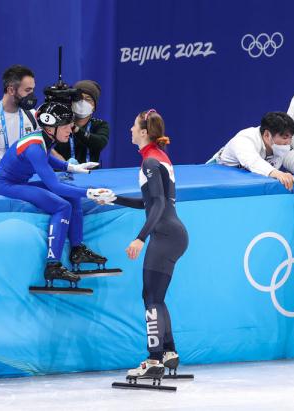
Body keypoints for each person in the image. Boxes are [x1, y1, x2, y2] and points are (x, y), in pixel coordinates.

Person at [0, 101, 114, 285]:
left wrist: (71, 167)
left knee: (71, 196)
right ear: (50, 127)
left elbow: (47, 156)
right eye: (66, 126)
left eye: (70, 125)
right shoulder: (34, 147)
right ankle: (52, 266)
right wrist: (90, 193)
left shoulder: (44, 139)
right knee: (62, 206)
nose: (70, 130)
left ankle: (77, 250)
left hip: (16, 181)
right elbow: (55, 186)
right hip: (5, 186)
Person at [110, 109, 189, 379]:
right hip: (173, 233)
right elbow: (151, 203)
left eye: (133, 126)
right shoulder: (158, 157)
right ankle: (168, 352)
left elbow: (157, 205)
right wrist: (113, 198)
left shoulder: (149, 162)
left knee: (151, 297)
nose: (130, 130)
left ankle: (153, 360)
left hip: (164, 234)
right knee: (156, 297)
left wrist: (140, 238)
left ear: (144, 132)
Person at [210, 111, 294, 190]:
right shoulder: (244, 139)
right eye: (285, 138)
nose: (289, 142)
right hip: (218, 175)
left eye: (291, 138)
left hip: (245, 179)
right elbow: (252, 161)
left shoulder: (279, 145)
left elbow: (290, 157)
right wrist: (279, 174)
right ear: (267, 135)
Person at [53, 80, 110, 165]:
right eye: (79, 98)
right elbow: (43, 145)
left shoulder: (100, 125)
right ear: (71, 102)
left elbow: (99, 144)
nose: (83, 102)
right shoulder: (58, 122)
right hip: (61, 173)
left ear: (94, 106)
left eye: (88, 99)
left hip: (91, 175)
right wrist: (61, 161)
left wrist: (75, 129)